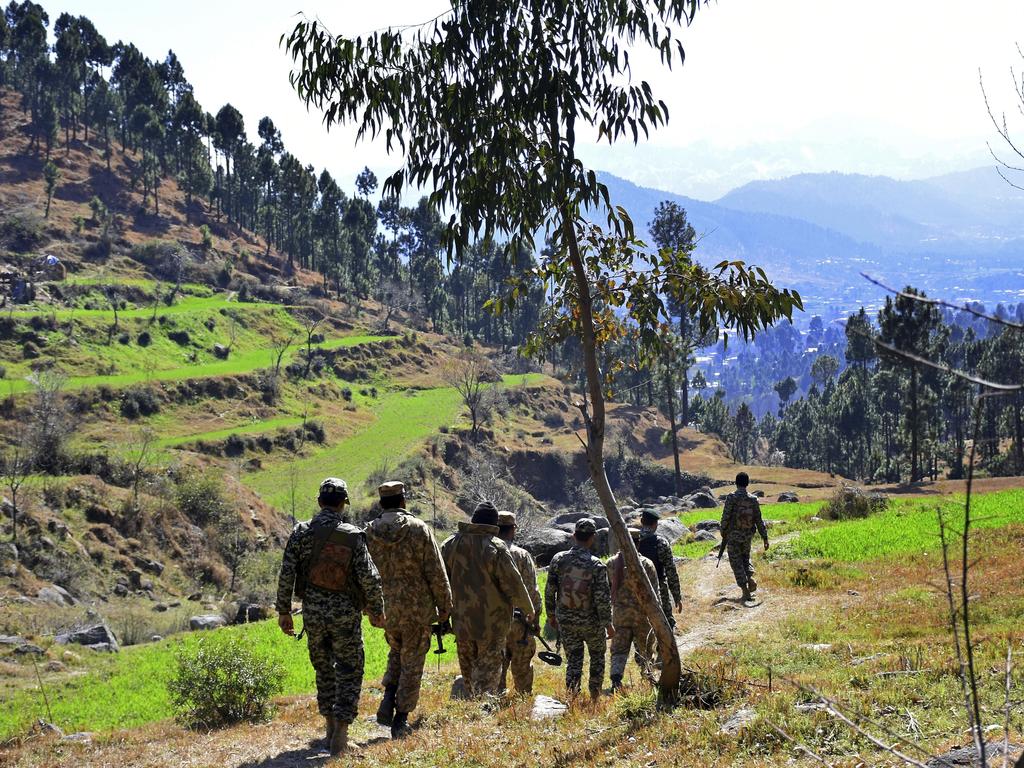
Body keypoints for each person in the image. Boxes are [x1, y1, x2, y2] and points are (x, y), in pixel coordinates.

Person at [276, 477, 385, 756]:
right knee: (349, 669)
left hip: (312, 614)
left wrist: (284, 611)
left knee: (323, 669)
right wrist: (376, 609)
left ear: (319, 502)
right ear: (342, 504)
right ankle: (341, 733)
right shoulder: (352, 535)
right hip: (345, 615)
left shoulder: (300, 533)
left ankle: (328, 727)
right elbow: (370, 578)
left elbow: (287, 573)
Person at [365, 481, 453, 738]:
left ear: (382, 504)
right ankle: (401, 718)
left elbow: (362, 573)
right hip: (417, 610)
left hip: (386, 610)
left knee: (397, 652)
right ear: (403, 501)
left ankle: (389, 697)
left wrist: (368, 607)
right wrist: (445, 607)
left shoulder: (369, 532)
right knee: (412, 662)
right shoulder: (418, 529)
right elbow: (436, 572)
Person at [440, 501, 535, 697]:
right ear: (493, 526)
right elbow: (514, 584)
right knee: (487, 676)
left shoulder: (450, 544)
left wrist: (441, 613)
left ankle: (471, 708)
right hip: (492, 624)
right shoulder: (496, 547)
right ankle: (482, 715)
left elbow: (441, 582)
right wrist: (528, 609)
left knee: (468, 673)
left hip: (462, 623)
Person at [545, 518, 613, 699]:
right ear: (593, 538)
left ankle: (572, 696)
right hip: (592, 622)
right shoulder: (597, 565)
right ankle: (595, 697)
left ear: (574, 536)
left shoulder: (558, 559)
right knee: (597, 657)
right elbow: (602, 598)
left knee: (574, 659)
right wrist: (608, 624)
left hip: (566, 620)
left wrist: (551, 615)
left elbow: (550, 590)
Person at [496, 510, 542, 694]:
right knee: (522, 664)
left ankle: (494, 699)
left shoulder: (488, 552)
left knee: (496, 665)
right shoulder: (522, 555)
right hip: (520, 621)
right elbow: (532, 591)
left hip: (494, 620)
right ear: (513, 529)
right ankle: (523, 699)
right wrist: (535, 619)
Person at [608, 527, 659, 691]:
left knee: (619, 650)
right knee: (646, 650)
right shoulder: (646, 564)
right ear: (638, 543)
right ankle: (648, 678)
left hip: (620, 616)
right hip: (641, 616)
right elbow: (654, 593)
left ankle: (616, 679)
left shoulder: (611, 563)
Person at [720, 471, 769, 601]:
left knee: (736, 562)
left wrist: (723, 530)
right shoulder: (753, 499)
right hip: (747, 536)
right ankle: (750, 577)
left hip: (733, 536)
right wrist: (765, 537)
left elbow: (725, 516)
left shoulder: (731, 497)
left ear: (736, 483)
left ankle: (745, 590)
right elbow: (759, 519)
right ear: (747, 483)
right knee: (745, 559)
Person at [637, 509, 682, 627]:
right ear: (655, 524)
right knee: (666, 623)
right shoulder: (661, 542)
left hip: (636, 590)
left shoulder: (631, 540)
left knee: (641, 627)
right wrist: (677, 596)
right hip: (659, 589)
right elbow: (671, 571)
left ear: (642, 521)